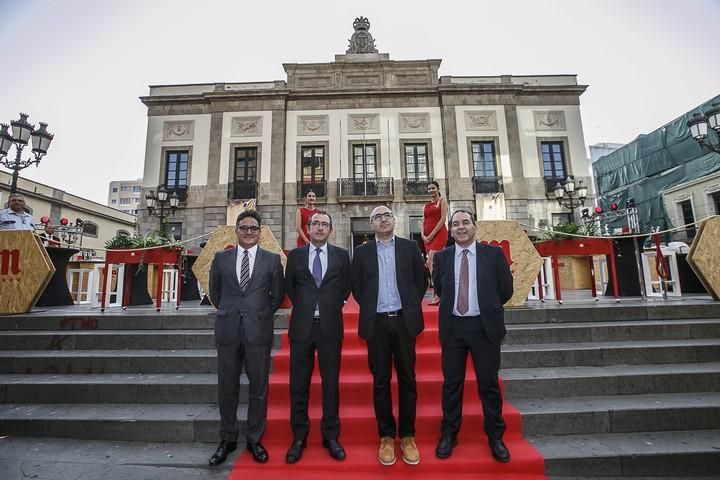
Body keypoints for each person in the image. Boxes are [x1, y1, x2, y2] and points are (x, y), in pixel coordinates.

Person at [432, 209, 513, 463]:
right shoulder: (443, 258)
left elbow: (505, 289)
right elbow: (440, 288)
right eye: (455, 224)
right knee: (451, 384)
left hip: (484, 328)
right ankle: (449, 434)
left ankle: (495, 436)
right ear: (451, 230)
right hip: (453, 328)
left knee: (488, 384)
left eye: (465, 222)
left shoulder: (493, 254)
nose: (460, 227)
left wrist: (486, 307)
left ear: (474, 226)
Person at [208, 210, 285, 467]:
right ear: (236, 230)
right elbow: (215, 293)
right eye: (244, 227)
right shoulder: (220, 259)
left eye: (254, 228)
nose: (249, 232)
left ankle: (254, 439)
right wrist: (231, 311)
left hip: (258, 331)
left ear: (260, 231)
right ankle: (227, 439)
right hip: (228, 330)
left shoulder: (272, 261)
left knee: (258, 387)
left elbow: (277, 296)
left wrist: (261, 314)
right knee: (226, 387)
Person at [351, 205, 427, 466]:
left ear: (394, 221)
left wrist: (408, 306)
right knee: (380, 381)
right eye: (376, 217)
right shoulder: (361, 253)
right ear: (370, 225)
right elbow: (357, 287)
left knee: (408, 379)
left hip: (405, 323)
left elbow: (421, 281)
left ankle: (407, 435)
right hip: (377, 325)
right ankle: (386, 436)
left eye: (386, 216)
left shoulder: (410, 248)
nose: (382, 220)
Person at [284, 211, 351, 464]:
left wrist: (331, 305)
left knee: (330, 384)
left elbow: (346, 287)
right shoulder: (296, 256)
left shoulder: (342, 256)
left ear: (331, 230)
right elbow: (289, 286)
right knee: (298, 385)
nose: (320, 228)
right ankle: (298, 437)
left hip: (330, 328)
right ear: (308, 229)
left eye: (325, 224)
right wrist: (305, 305)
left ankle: (331, 436)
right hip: (302, 328)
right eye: (316, 224)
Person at [422, 180, 448, 305]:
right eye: (429, 189)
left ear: (438, 189)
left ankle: (438, 293)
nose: (431, 190)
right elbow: (423, 221)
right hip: (427, 238)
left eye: (433, 188)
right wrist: (423, 235)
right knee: (436, 264)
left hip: (439, 235)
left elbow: (443, 219)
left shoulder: (442, 201)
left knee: (430, 261)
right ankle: (440, 291)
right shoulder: (426, 206)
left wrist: (432, 234)